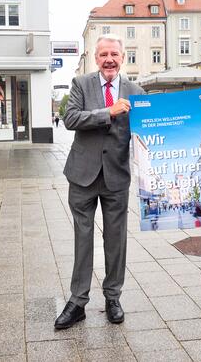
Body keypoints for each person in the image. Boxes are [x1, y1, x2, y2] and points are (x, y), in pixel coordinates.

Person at [55, 34, 145, 329]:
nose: (109, 59)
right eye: (104, 54)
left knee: (116, 240)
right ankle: (78, 301)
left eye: (114, 54)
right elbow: (71, 119)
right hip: (83, 174)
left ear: (123, 57)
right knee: (83, 238)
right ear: (96, 58)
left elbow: (150, 131)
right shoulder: (82, 84)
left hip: (117, 176)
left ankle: (112, 296)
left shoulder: (136, 91)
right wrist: (108, 112)